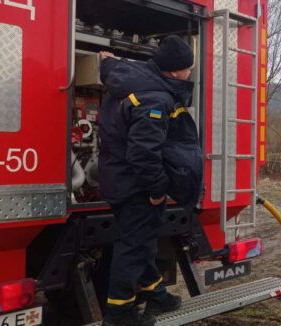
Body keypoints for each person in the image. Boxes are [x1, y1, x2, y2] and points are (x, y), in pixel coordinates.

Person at [98, 35, 202, 326]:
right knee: (133, 246)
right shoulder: (154, 97)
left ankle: (156, 293)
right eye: (188, 68)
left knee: (141, 241)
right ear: (174, 71)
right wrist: (157, 189)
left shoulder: (133, 77)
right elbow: (144, 153)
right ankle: (119, 314)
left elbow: (110, 64)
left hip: (118, 178)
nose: (189, 73)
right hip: (136, 186)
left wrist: (107, 60)